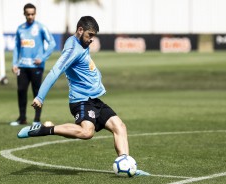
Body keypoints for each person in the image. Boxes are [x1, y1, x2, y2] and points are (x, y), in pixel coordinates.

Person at [17, 16, 149, 176]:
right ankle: (45, 129)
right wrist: (40, 97)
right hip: (81, 100)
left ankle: (127, 164)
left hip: (93, 99)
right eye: (90, 35)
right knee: (87, 132)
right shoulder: (72, 49)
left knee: (119, 127)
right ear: (80, 30)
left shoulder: (80, 42)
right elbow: (55, 71)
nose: (92, 39)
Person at [10, 3, 56, 126]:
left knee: (37, 93)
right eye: (28, 14)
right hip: (22, 66)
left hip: (36, 67)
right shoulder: (20, 28)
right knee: (21, 90)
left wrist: (42, 57)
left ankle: (36, 119)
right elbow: (17, 47)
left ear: (35, 14)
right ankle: (22, 118)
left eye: (32, 14)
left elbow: (52, 43)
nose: (30, 16)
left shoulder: (41, 28)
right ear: (24, 14)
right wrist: (14, 63)